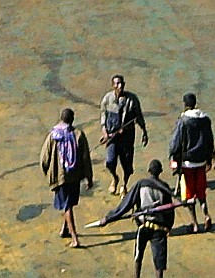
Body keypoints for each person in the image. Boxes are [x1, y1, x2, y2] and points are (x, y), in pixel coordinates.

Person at [98, 159, 174, 278]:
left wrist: (108, 218)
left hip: (143, 226)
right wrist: (168, 227)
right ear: (160, 171)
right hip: (159, 229)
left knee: (138, 257)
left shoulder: (141, 184)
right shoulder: (165, 188)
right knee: (159, 262)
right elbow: (170, 212)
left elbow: (126, 205)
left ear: (149, 171)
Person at [40, 108, 93, 247]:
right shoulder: (79, 135)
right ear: (72, 119)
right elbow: (86, 158)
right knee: (68, 204)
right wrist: (89, 177)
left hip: (61, 176)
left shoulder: (53, 135)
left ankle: (74, 238)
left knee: (67, 205)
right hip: (74, 176)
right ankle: (65, 229)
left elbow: (44, 158)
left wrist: (48, 173)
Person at [169, 92, 215, 233]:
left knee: (189, 195)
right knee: (201, 193)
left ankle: (195, 223)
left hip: (187, 163)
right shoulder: (206, 120)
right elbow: (210, 140)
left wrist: (173, 157)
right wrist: (210, 157)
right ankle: (206, 214)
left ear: (185, 104)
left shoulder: (183, 121)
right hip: (201, 162)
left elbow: (175, 144)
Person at [100, 74, 149, 199]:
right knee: (110, 161)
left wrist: (144, 132)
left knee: (127, 165)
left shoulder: (132, 100)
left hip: (127, 138)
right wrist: (104, 131)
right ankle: (115, 178)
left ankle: (124, 185)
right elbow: (103, 116)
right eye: (117, 84)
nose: (120, 86)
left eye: (121, 83)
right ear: (113, 85)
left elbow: (138, 117)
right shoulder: (107, 99)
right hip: (112, 137)